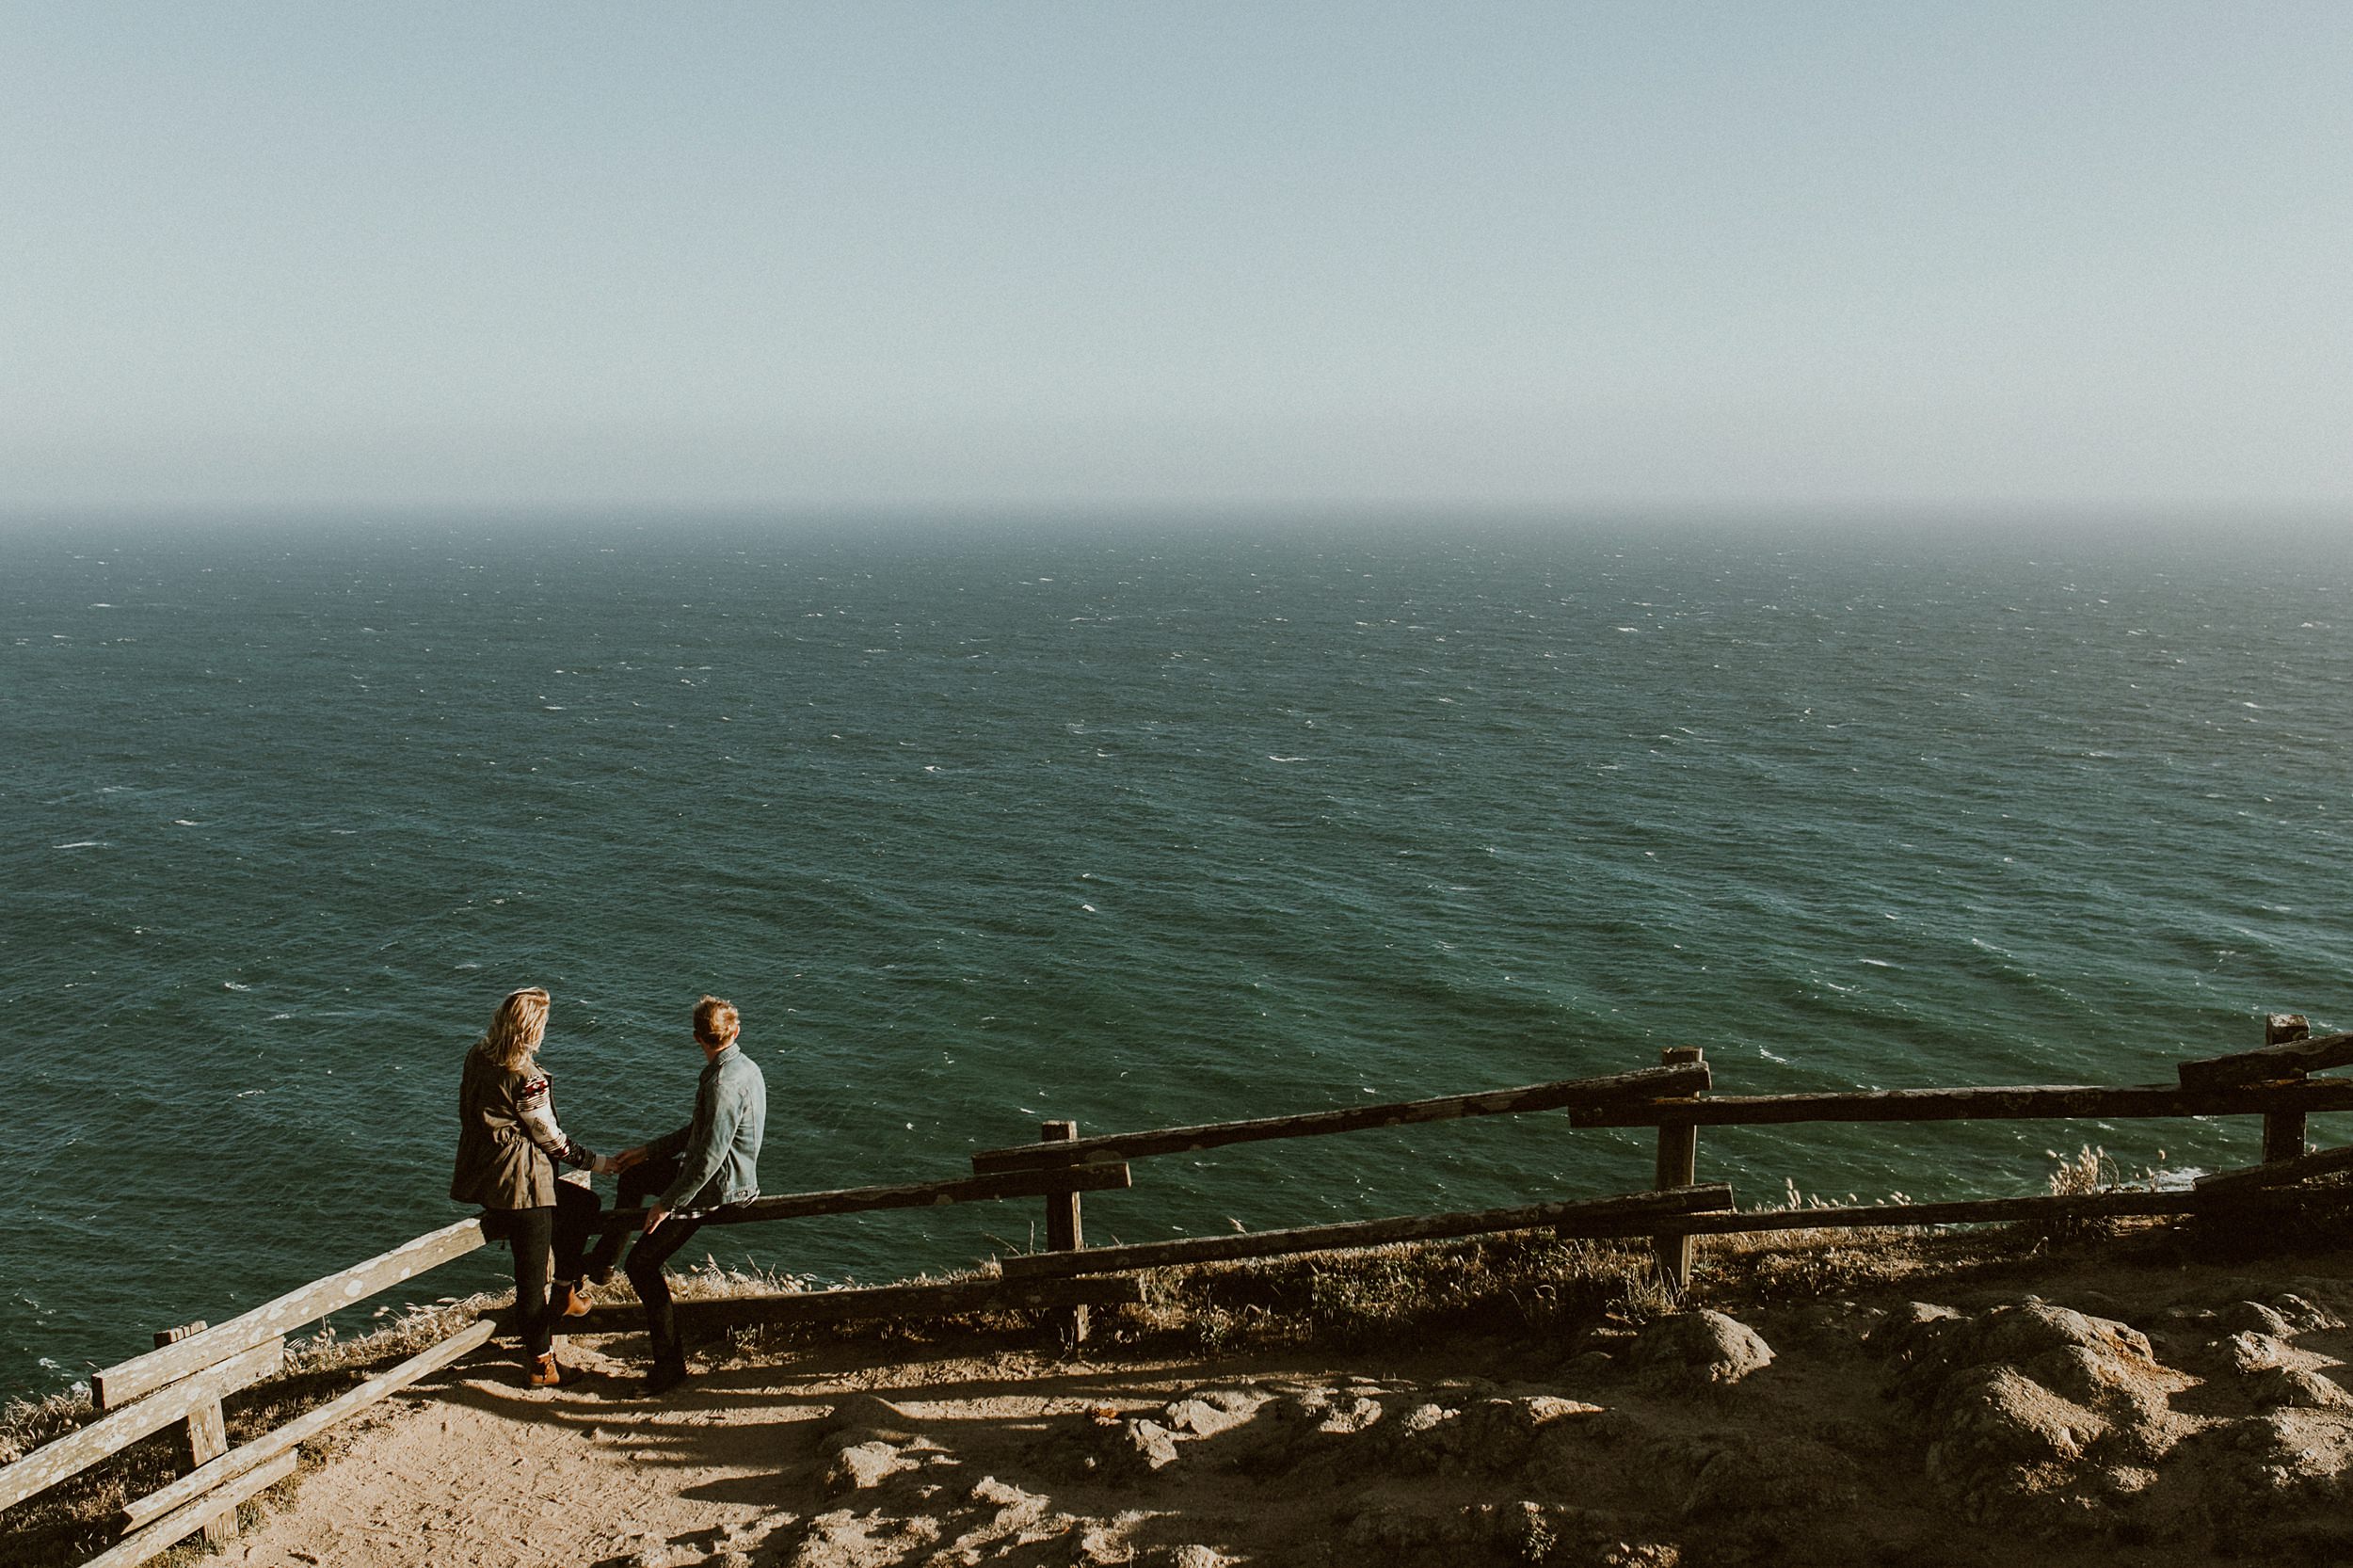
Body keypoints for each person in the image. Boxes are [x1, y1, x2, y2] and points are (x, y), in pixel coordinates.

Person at [587, 994, 767, 1394]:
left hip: (717, 1188)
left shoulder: (721, 1085)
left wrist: (667, 1204)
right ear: (736, 1032)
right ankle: (603, 1263)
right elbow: (700, 1132)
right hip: (718, 1176)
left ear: (696, 1037)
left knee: (641, 1266)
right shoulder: (743, 1068)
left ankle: (669, 1367)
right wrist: (648, 1152)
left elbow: (708, 1158)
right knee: (634, 1177)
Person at [449, 985, 627, 1387]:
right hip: (523, 1187)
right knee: (530, 1282)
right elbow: (552, 1140)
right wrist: (600, 1163)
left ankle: (565, 1290)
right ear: (531, 1029)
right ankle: (541, 1364)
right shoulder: (527, 1078)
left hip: (489, 1177)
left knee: (583, 1205)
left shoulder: (477, 1056)